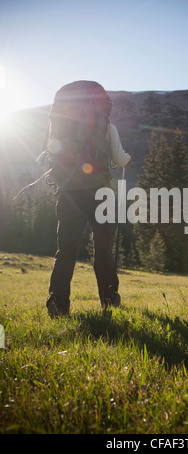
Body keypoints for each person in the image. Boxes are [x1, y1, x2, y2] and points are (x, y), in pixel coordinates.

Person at [44, 81, 131, 318]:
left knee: (66, 248)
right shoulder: (107, 125)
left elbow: (50, 150)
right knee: (103, 247)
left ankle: (58, 301)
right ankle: (109, 298)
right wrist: (127, 159)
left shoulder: (60, 124)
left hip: (69, 193)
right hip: (100, 193)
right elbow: (119, 158)